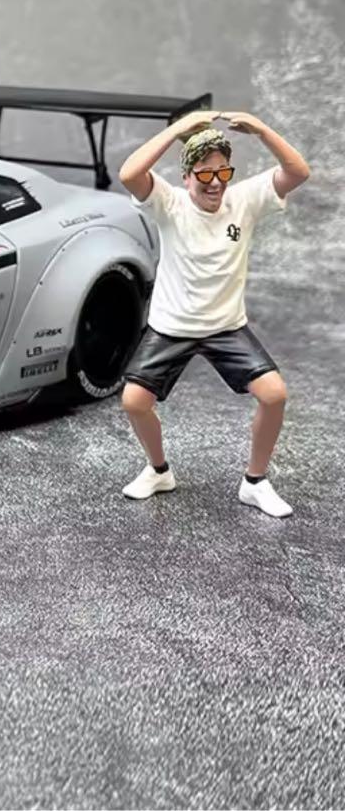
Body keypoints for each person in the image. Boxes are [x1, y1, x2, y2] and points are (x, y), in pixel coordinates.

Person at [117, 108, 310, 517]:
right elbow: (130, 174)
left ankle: (254, 482)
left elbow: (298, 171)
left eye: (223, 172)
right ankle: (158, 471)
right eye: (204, 173)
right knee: (134, 401)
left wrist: (260, 128)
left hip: (226, 327)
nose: (215, 183)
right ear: (187, 177)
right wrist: (176, 129)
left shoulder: (244, 200)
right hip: (171, 327)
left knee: (274, 394)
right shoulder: (168, 202)